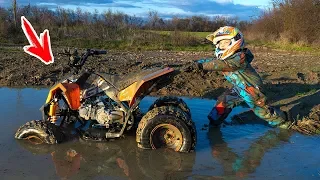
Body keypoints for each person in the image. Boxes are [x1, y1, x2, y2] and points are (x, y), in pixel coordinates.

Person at [184, 26, 291, 128]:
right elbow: (213, 61)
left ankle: (284, 123)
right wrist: (196, 63)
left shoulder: (239, 58)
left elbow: (221, 64)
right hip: (240, 88)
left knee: (262, 112)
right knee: (223, 102)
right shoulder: (226, 58)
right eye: (220, 44)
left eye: (225, 43)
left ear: (235, 41)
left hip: (253, 90)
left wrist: (200, 66)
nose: (222, 46)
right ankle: (214, 123)